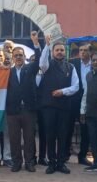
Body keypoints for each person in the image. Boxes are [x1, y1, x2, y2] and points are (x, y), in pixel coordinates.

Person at [39, 36, 79, 174]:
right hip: (49, 106)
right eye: (57, 50)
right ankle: (51, 163)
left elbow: (76, 86)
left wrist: (62, 92)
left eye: (62, 50)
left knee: (63, 135)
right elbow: (41, 63)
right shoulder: (47, 65)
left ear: (65, 52)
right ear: (53, 52)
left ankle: (61, 163)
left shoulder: (71, 67)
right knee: (50, 135)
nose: (60, 52)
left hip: (64, 107)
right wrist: (46, 45)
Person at [6, 36, 41, 172]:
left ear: (24, 57)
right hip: (12, 111)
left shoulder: (30, 68)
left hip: (28, 109)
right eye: (16, 55)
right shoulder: (7, 72)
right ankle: (16, 162)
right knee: (14, 139)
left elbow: (38, 61)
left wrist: (36, 44)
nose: (18, 57)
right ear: (12, 57)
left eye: (20, 55)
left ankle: (29, 162)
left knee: (29, 138)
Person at [68, 43, 92, 166]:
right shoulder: (73, 63)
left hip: (88, 100)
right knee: (68, 127)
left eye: (85, 50)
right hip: (73, 99)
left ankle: (82, 156)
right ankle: (65, 154)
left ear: (90, 52)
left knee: (85, 129)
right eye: (80, 50)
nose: (82, 52)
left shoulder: (95, 64)